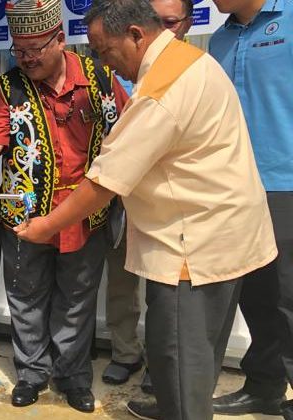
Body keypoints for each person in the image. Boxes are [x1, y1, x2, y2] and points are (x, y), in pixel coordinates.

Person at [0, 0, 278, 418]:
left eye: (105, 50)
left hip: (192, 249)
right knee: (193, 363)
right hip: (218, 236)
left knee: (180, 363)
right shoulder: (188, 61)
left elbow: (105, 180)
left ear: (136, 35)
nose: (105, 62)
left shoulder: (161, 90)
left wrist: (45, 226)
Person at [0, 0, 127, 412]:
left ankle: (73, 377)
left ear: (60, 39)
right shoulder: (7, 89)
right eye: (19, 49)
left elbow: (131, 131)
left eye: (36, 49)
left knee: (77, 301)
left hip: (84, 216)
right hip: (24, 218)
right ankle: (31, 374)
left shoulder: (100, 78)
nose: (27, 58)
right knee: (26, 300)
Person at [101, 0, 194, 390]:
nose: (164, 28)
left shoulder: (190, 70)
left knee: (168, 293)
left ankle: (164, 368)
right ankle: (126, 352)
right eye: (157, 20)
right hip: (119, 194)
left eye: (170, 21)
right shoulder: (113, 71)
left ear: (187, 23)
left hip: (170, 205)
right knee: (122, 282)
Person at [209, 0, 293, 418]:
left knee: (287, 299)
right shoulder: (220, 40)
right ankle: (264, 386)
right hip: (236, 187)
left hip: (286, 183)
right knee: (257, 296)